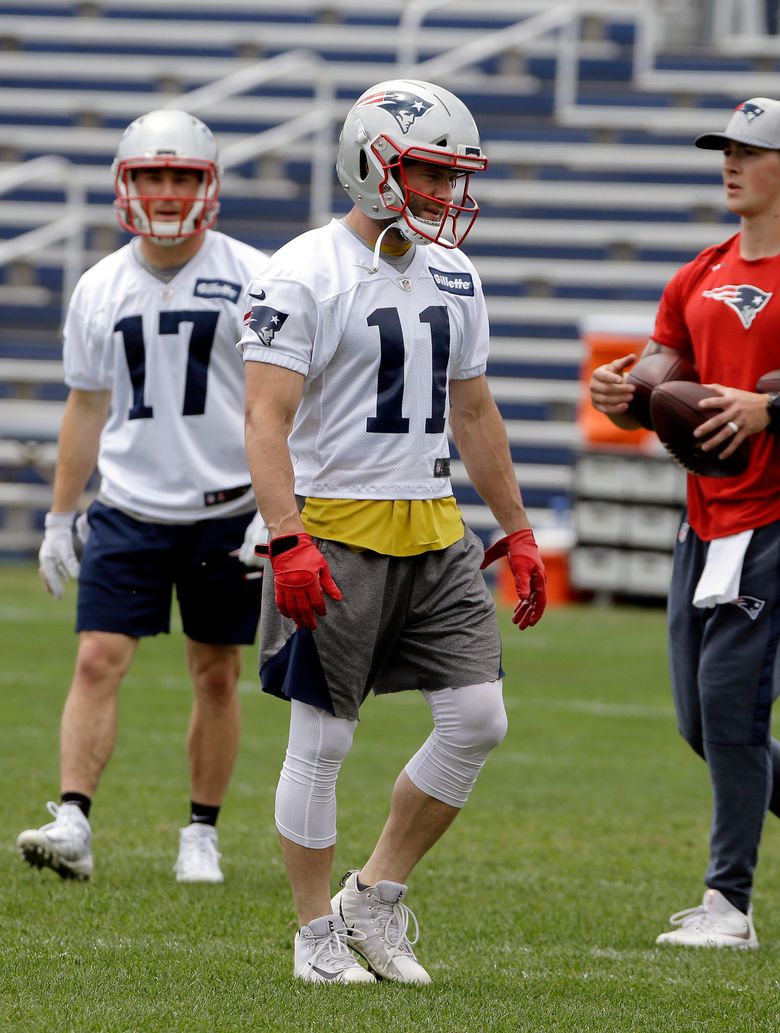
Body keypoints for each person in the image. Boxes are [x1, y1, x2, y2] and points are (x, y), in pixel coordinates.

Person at [239, 79, 547, 984]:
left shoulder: (455, 271)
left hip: (434, 523)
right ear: (372, 162)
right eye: (428, 172)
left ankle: (372, 898)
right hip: (332, 527)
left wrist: (517, 530)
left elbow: (475, 408)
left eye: (455, 176)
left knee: (478, 718)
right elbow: (264, 420)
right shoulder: (302, 271)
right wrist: (287, 537)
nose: (446, 195)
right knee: (324, 740)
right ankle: (312, 936)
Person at [16, 109, 269, 884]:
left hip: (226, 506)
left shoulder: (257, 276)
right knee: (96, 659)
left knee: (217, 671)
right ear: (127, 184)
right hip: (128, 502)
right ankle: (74, 818)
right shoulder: (100, 285)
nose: (165, 192)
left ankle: (202, 831)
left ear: (208, 183)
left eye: (182, 176)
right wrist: (61, 517)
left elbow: (280, 404)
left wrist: (274, 508)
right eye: (152, 176)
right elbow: (85, 406)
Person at [589, 96, 780, 949]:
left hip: (772, 520)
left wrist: (767, 409)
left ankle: (727, 904)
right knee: (699, 723)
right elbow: (660, 390)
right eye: (725, 149)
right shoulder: (698, 272)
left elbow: (752, 405)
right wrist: (623, 398)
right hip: (702, 524)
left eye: (749, 150)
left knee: (730, 708)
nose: (730, 163)